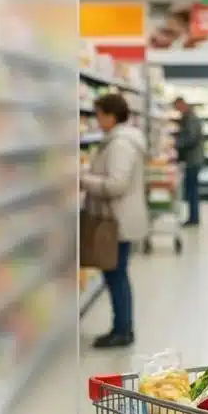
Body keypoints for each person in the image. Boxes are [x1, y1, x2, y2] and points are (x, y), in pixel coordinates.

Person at [81, 92, 147, 349]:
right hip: (117, 218)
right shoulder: (121, 139)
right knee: (115, 274)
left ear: (110, 115)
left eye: (98, 115)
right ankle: (122, 327)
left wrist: (83, 180)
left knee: (116, 275)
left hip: (116, 220)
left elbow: (117, 184)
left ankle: (122, 329)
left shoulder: (120, 144)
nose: (97, 120)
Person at [173, 96, 204, 226]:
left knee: (191, 189)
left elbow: (191, 138)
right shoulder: (189, 116)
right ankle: (193, 217)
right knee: (192, 189)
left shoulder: (190, 118)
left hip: (193, 159)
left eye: (177, 107)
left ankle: (193, 218)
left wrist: (177, 143)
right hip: (193, 158)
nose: (177, 110)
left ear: (182, 104)